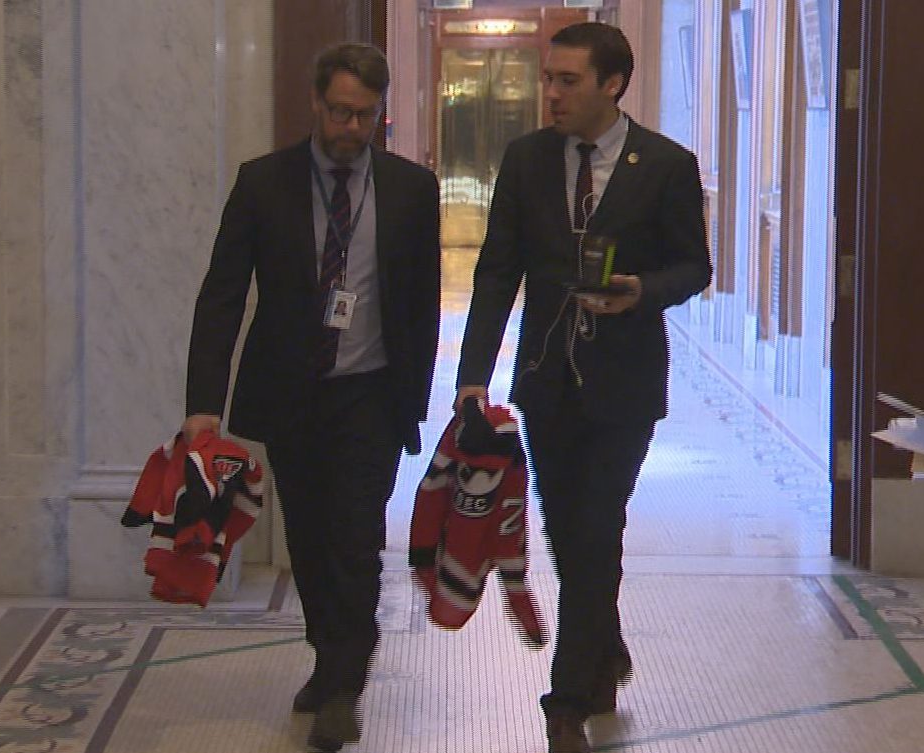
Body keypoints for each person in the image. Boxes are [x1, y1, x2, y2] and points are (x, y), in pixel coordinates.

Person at [454, 22, 711, 753]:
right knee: (568, 528)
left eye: (568, 80)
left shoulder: (664, 165)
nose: (552, 93)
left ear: (612, 84)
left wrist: (641, 290)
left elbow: (694, 267)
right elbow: (497, 272)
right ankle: (605, 646)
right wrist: (472, 378)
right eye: (550, 78)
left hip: (624, 385)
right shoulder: (527, 159)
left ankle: (564, 701)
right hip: (546, 381)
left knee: (597, 526)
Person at [182, 42, 441, 752]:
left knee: (356, 539)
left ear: (380, 113)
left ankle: (341, 685)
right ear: (316, 104)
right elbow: (222, 294)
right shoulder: (263, 183)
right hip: (292, 393)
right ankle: (331, 656)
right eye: (339, 112)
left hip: (370, 394)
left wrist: (414, 402)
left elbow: (421, 303)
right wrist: (203, 402)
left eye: (364, 115)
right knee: (309, 538)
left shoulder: (412, 190)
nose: (350, 127)